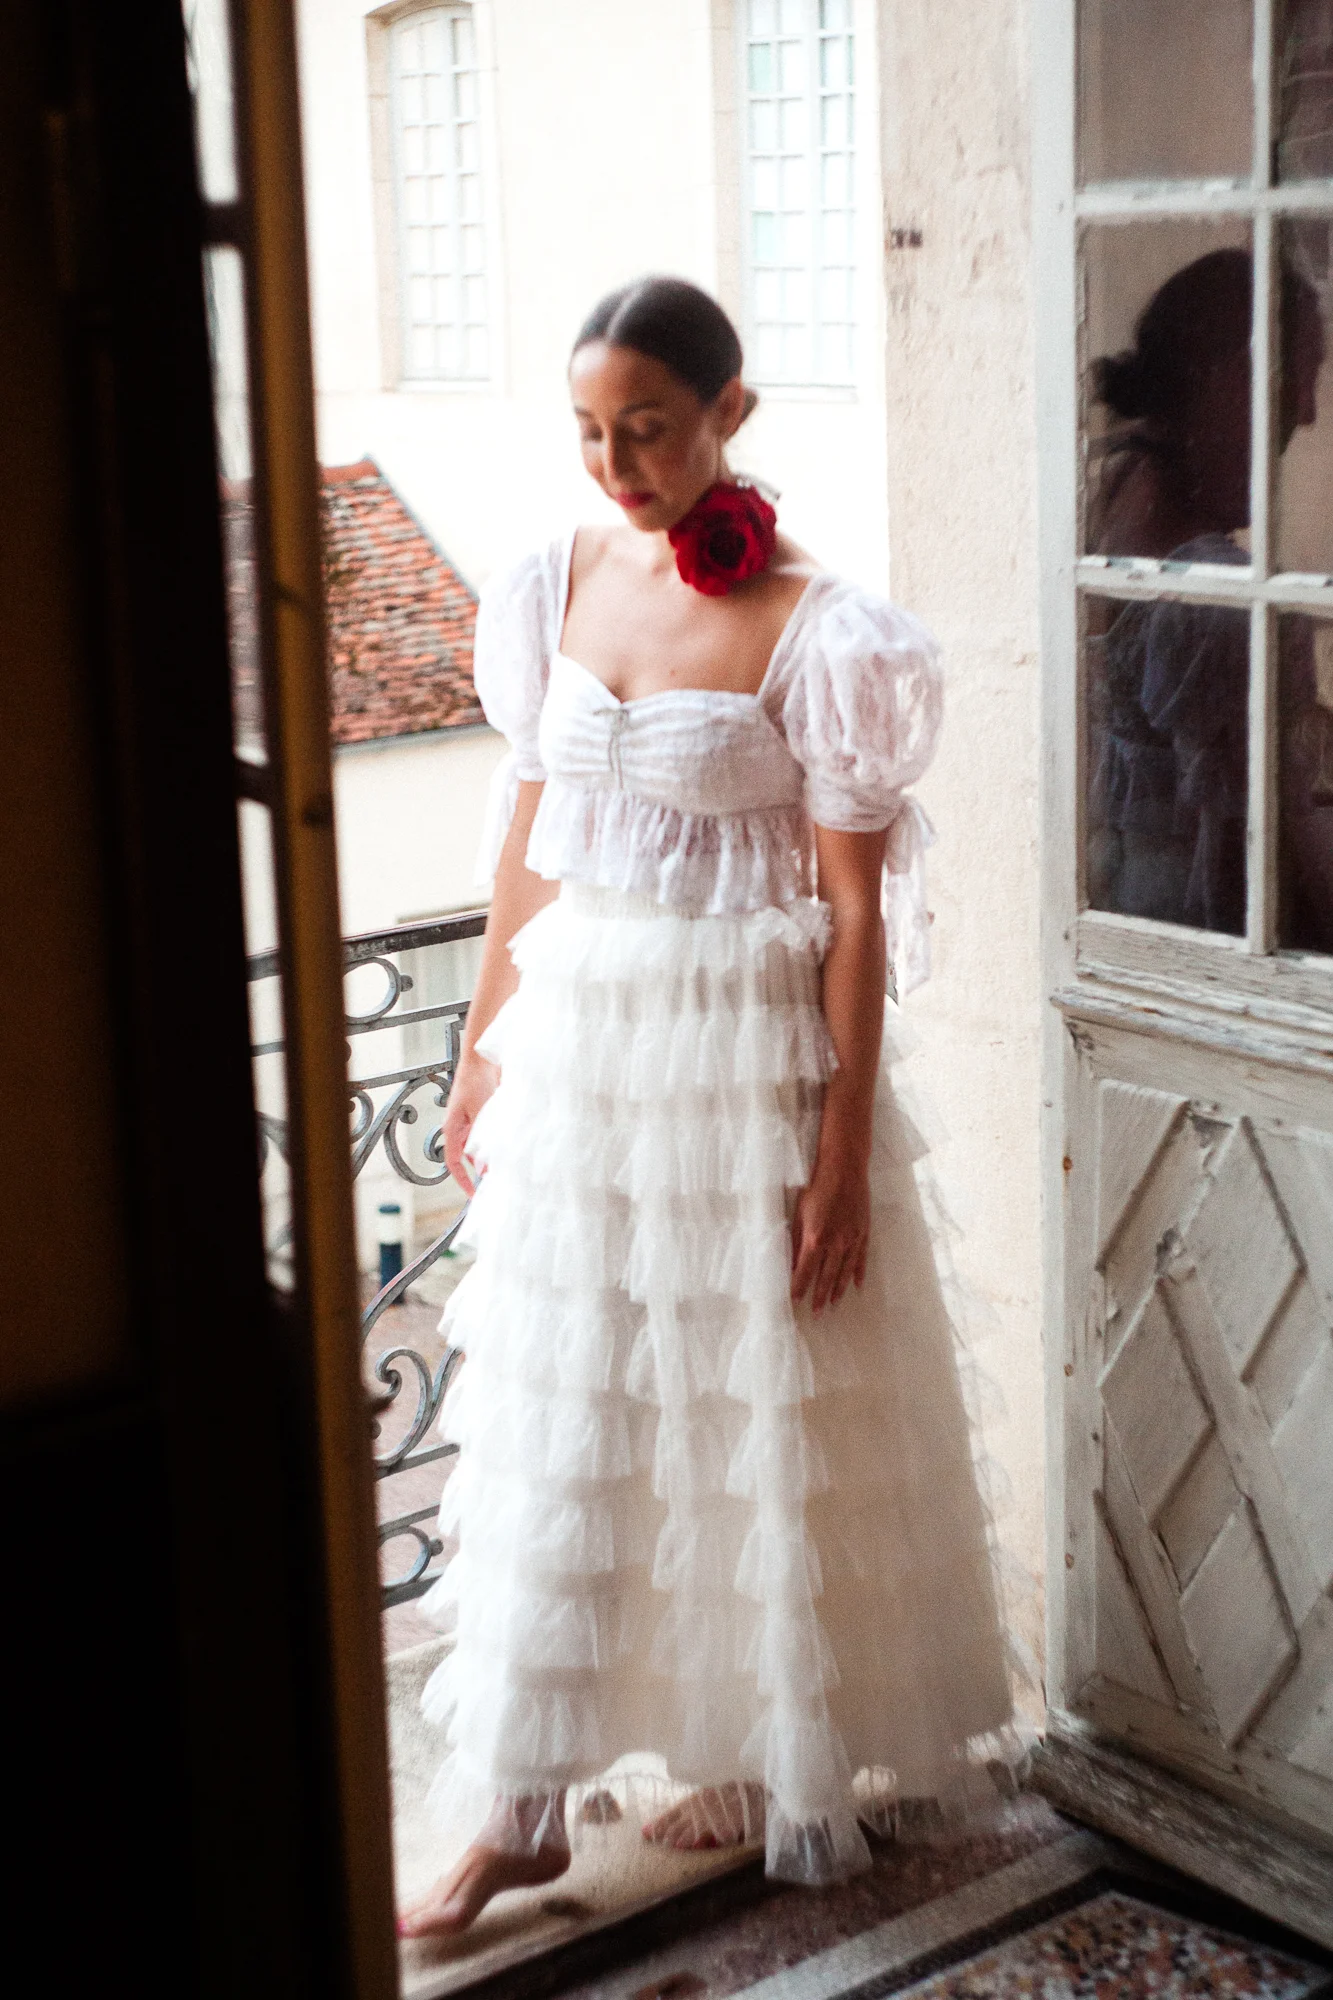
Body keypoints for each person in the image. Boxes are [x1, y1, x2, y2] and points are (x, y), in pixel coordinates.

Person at [397, 276, 1019, 1939]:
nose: (614, 464)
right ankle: (518, 1810)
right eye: (590, 432)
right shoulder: (547, 584)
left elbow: (855, 911)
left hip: (746, 1066)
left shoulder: (829, 628)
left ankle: (757, 1760)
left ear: (729, 412)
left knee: (761, 1414)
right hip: (587, 1058)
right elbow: (524, 843)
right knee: (569, 1410)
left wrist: (836, 1159)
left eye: (647, 429)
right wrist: (480, 1049)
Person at [1087, 249, 1324, 931]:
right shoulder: (1219, 605)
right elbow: (1281, 847)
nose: (1306, 412)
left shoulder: (1119, 477)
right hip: (1199, 926)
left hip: (1123, 894)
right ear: (1230, 383)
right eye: (1299, 377)